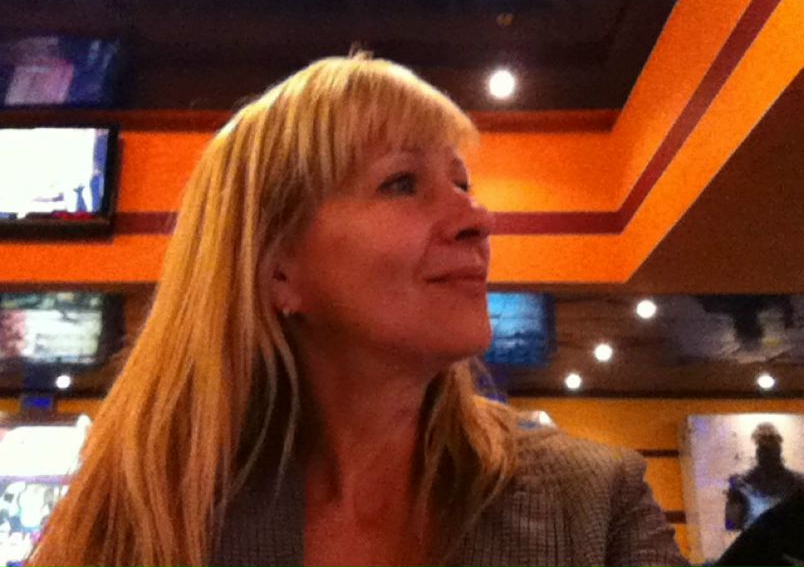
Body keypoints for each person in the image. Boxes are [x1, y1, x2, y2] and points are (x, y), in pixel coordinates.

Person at [29, 54, 687, 567]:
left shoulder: (594, 503)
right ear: (277, 268)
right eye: (402, 183)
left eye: (462, 183)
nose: (477, 218)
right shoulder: (142, 517)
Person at [725, 423, 804, 531]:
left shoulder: (799, 482)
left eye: (770, 449)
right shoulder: (741, 484)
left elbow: (732, 524)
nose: (768, 456)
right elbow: (731, 524)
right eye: (765, 450)